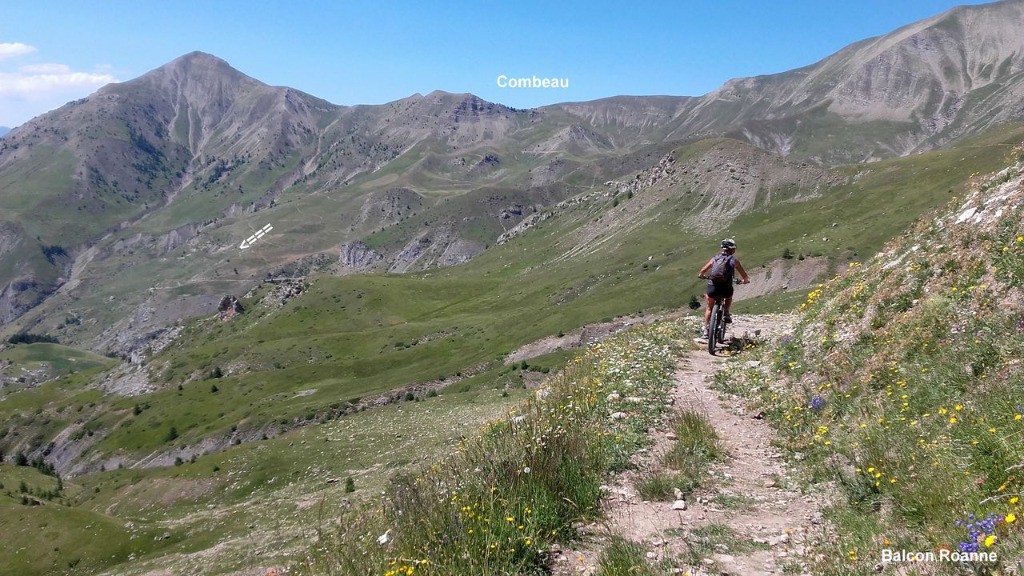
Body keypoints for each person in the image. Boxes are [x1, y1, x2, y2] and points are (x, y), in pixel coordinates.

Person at [697, 238, 750, 339]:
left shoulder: (715, 258)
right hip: (726, 287)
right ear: (732, 250)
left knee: (709, 307)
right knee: (728, 297)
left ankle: (706, 330)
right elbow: (744, 275)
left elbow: (703, 270)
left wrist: (702, 275)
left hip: (713, 286)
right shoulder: (734, 260)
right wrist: (745, 281)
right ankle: (726, 312)